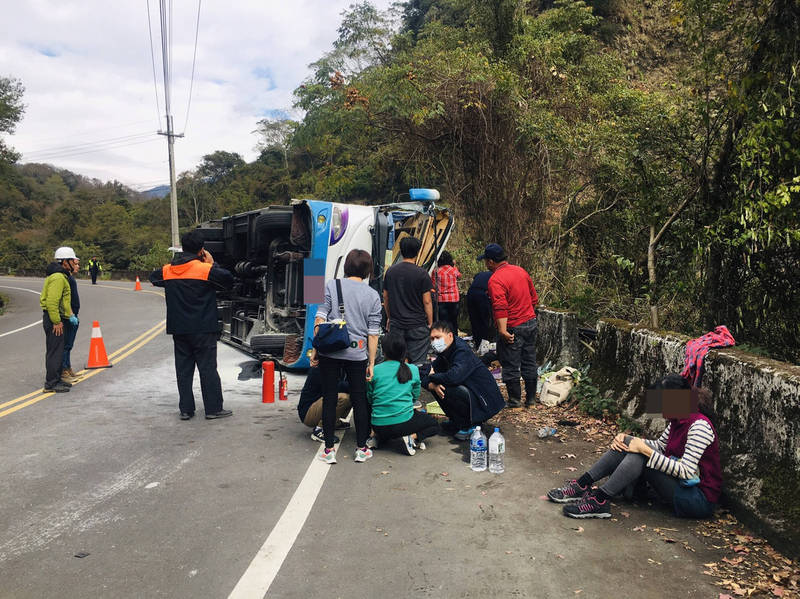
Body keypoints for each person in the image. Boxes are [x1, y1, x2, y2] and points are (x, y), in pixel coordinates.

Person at [547, 374, 722, 520]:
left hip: (698, 499)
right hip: (680, 486)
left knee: (641, 453)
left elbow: (685, 470)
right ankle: (582, 484)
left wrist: (642, 448)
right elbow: (660, 446)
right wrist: (628, 439)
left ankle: (600, 500)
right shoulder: (677, 419)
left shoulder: (699, 426)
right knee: (630, 445)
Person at [150, 230, 234, 420]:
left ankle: (186, 409)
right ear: (201, 250)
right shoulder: (205, 269)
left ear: (182, 247)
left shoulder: (167, 270)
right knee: (207, 369)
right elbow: (228, 279)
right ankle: (213, 409)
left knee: (184, 370)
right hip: (203, 328)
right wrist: (212, 263)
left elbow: (153, 278)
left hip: (179, 329)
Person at [310, 249, 382, 464]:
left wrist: (315, 351)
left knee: (330, 398)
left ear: (346, 266)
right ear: (368, 270)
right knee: (359, 399)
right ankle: (361, 449)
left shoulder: (332, 285)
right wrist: (371, 362)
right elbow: (373, 334)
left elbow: (319, 320)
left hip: (330, 351)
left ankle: (329, 450)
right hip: (358, 354)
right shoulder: (373, 295)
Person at [420, 321, 505, 440]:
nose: (435, 342)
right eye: (432, 339)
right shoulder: (444, 353)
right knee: (437, 386)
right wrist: (431, 384)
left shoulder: (462, 351)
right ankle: (457, 421)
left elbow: (454, 377)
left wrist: (432, 377)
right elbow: (423, 373)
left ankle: (473, 424)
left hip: (484, 398)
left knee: (448, 386)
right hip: (471, 391)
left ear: (450, 336)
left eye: (438, 337)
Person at [481, 243, 539, 408]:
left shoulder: (495, 280)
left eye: (486, 261)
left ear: (491, 261)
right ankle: (531, 399)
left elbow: (500, 307)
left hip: (513, 326)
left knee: (511, 363)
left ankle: (514, 400)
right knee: (529, 361)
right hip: (530, 322)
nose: (485, 264)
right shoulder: (521, 271)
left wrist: (503, 330)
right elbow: (534, 298)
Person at [368, 333, 439, 455]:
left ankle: (375, 437)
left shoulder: (374, 370)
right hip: (403, 424)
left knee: (387, 425)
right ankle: (412, 437)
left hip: (378, 424)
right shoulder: (413, 369)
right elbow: (414, 396)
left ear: (383, 351)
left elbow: (370, 397)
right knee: (434, 425)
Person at [382, 237, 434, 366]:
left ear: (401, 251)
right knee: (417, 364)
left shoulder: (390, 272)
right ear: (417, 252)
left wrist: (389, 317)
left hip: (396, 325)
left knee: (396, 361)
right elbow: (427, 301)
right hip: (417, 325)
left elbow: (385, 297)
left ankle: (397, 385)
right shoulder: (422, 274)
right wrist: (430, 323)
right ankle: (414, 385)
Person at [40, 247, 79, 393]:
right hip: (53, 319)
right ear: (65, 262)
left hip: (57, 317)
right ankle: (51, 384)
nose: (74, 263)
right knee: (54, 351)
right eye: (72, 260)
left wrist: (68, 316)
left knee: (58, 349)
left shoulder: (60, 276)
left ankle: (57, 379)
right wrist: (56, 321)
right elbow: (52, 301)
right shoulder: (57, 277)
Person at [297, 366, 351, 443]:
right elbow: (335, 387)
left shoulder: (340, 367)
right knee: (343, 398)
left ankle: (334, 422)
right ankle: (320, 429)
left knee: (352, 396)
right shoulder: (319, 368)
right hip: (308, 412)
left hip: (319, 406)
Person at [466, 270, 495, 354]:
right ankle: (484, 347)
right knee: (485, 321)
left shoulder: (481, 274)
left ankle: (478, 344)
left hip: (471, 293)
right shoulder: (497, 275)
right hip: (482, 294)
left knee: (474, 320)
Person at [434, 251, 461, 335]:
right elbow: (459, 276)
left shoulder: (435, 271)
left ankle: (445, 342)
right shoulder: (454, 270)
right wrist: (454, 265)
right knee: (453, 322)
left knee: (444, 323)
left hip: (441, 300)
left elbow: (432, 284)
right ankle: (455, 340)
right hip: (454, 299)